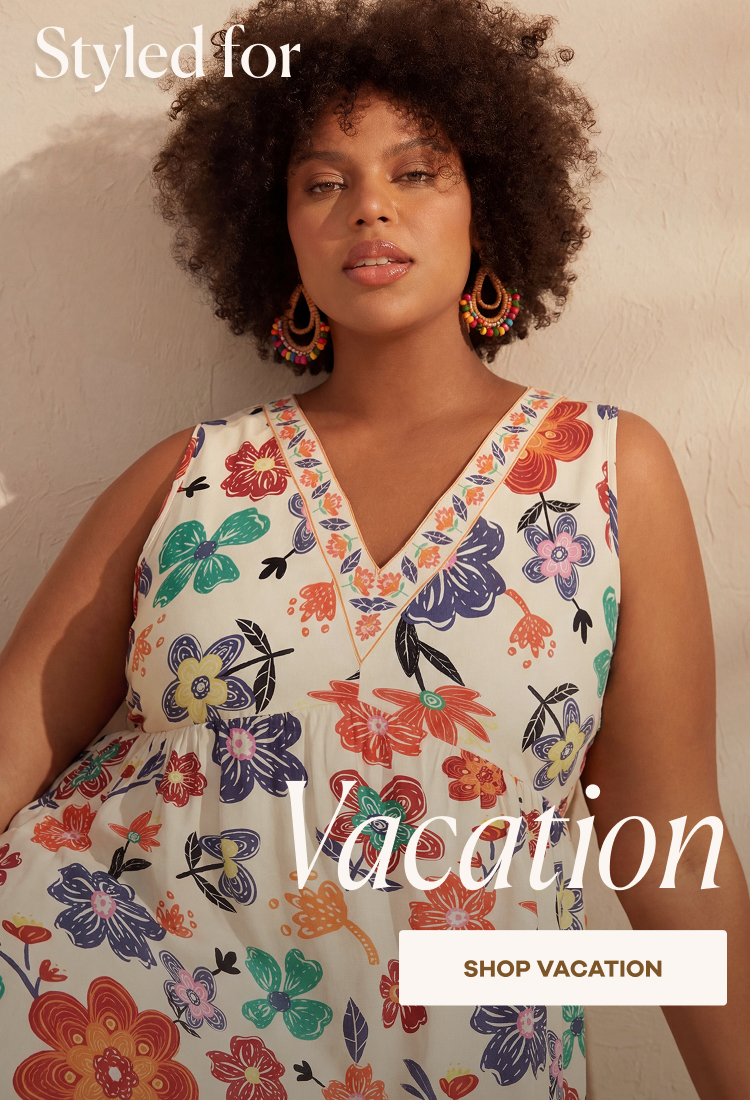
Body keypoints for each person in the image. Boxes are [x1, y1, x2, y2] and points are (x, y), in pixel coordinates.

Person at [0, 0, 747, 1096]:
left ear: (484, 203)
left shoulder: (607, 469)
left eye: (417, 171)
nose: (368, 208)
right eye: (322, 181)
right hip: (119, 1035)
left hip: (454, 1059)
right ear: (279, 228)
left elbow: (665, 828)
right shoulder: (188, 477)